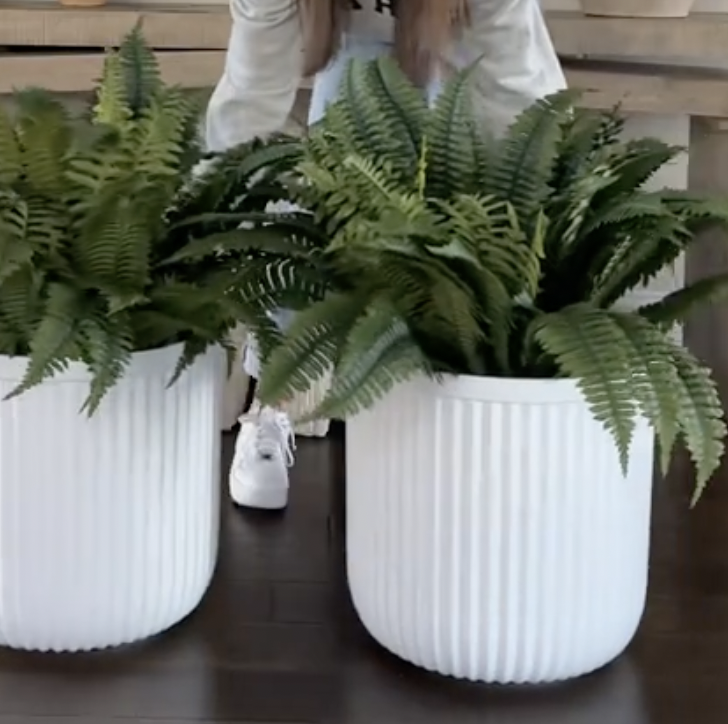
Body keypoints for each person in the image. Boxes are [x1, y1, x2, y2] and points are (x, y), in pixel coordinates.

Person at [205, 0, 566, 511]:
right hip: (350, 63)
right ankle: (271, 402)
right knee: (322, 159)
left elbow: (516, 100)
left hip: (464, 65)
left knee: (463, 197)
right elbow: (248, 107)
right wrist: (215, 226)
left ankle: (466, 410)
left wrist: (515, 231)